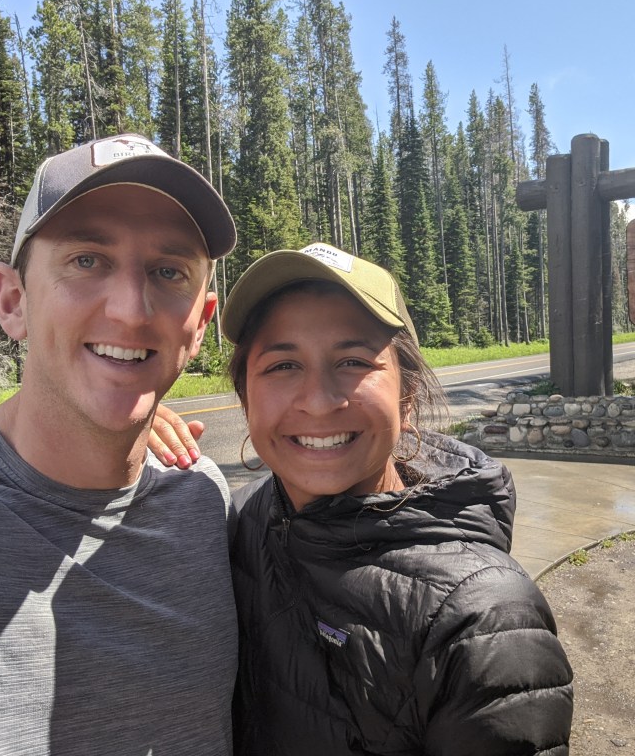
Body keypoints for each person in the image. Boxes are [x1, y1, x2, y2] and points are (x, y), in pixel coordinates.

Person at [0, 134, 239, 755]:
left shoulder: (203, 498)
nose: (131, 310)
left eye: (168, 271)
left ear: (199, 325)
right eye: (87, 260)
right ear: (12, 302)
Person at [221, 242, 574, 755]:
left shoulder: (485, 620)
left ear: (406, 398)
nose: (318, 401)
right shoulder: (243, 518)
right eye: (283, 366)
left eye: (352, 361)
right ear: (246, 398)